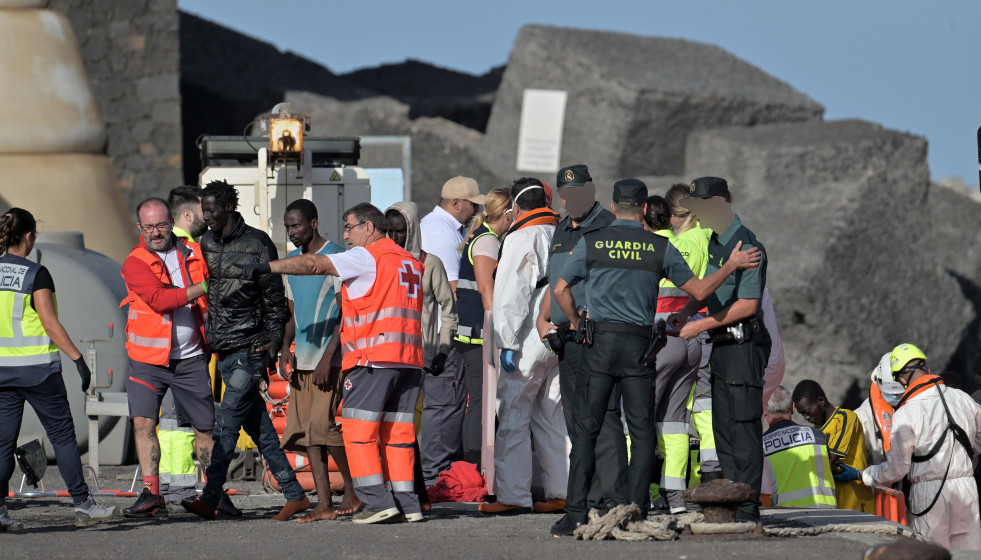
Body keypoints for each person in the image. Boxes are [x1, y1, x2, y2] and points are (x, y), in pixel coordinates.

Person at [551, 179, 761, 535]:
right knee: (644, 430)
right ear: (646, 209)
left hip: (599, 345)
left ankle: (574, 513)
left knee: (588, 429)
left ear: (614, 208)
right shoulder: (658, 247)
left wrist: (575, 322)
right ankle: (637, 509)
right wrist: (731, 266)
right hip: (638, 348)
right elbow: (699, 289)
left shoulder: (592, 241)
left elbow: (560, 289)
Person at [241, 202, 426, 525]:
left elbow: (314, 265)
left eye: (350, 227)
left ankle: (376, 502)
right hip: (409, 360)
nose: (345, 235)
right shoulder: (409, 261)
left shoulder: (367, 256)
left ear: (368, 228)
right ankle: (408, 504)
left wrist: (267, 268)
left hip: (374, 357)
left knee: (358, 432)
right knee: (397, 435)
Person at [181, 180, 309, 521]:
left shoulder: (257, 243)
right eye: (203, 210)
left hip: (250, 349)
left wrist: (273, 343)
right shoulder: (206, 242)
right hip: (222, 349)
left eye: (211, 210)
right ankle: (295, 495)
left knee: (226, 425)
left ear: (227, 207)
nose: (206, 216)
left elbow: (275, 301)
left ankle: (209, 497)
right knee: (261, 430)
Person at [0, 208, 115, 529]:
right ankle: (83, 503)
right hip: (37, 370)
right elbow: (49, 323)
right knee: (63, 435)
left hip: (2, 371)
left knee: (3, 442)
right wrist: (78, 360)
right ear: (28, 237)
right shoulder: (36, 273)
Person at [668, 176, 771, 523]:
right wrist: (681, 315)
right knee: (724, 426)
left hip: (742, 344)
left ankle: (747, 507)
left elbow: (747, 305)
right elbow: (705, 290)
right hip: (723, 346)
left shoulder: (746, 243)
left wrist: (698, 325)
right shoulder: (715, 242)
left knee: (742, 428)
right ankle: (732, 500)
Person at [120, 198, 216, 519]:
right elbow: (161, 300)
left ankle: (213, 493)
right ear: (140, 228)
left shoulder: (194, 252)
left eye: (161, 225)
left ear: (170, 222)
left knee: (205, 427)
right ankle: (152, 494)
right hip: (148, 362)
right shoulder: (135, 262)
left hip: (191, 358)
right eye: (148, 227)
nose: (156, 232)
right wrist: (205, 286)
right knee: (144, 423)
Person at [537, 164, 625, 515]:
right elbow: (554, 280)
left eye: (579, 193)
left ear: (591, 190)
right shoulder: (560, 229)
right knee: (576, 420)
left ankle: (614, 496)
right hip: (566, 338)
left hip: (597, 335)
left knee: (603, 417)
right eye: (566, 194)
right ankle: (589, 496)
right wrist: (542, 318)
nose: (571, 199)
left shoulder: (609, 227)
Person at [479, 177, 568, 515]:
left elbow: (510, 296)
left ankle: (514, 495)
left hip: (527, 339)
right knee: (552, 416)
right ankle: (562, 491)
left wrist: (505, 342)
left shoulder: (521, 237)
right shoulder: (562, 233)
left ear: (516, 207)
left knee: (514, 415)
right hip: (557, 337)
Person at [838, 344, 981, 550]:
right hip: (966, 489)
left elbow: (896, 470)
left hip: (929, 493)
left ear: (902, 379)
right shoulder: (962, 398)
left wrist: (862, 475)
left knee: (929, 552)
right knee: (970, 552)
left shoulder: (906, 414)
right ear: (926, 368)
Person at [278, 199, 357, 521]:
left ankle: (353, 491)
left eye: (295, 225)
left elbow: (346, 314)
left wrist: (328, 358)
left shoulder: (338, 257)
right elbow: (294, 313)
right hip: (303, 358)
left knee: (322, 426)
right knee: (306, 432)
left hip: (331, 358)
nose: (291, 232)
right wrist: (286, 348)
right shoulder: (292, 264)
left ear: (313, 223)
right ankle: (324, 504)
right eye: (287, 227)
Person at [387, 202, 462, 487]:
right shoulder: (383, 263)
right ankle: (402, 486)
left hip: (423, 359)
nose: (394, 238)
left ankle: (417, 490)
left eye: (400, 231)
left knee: (414, 429)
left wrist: (443, 350)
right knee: (395, 426)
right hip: (391, 356)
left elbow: (449, 309)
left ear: (412, 229)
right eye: (390, 231)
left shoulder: (430, 264)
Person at [643, 195, 702, 514]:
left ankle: (637, 491)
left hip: (656, 340)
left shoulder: (645, 251)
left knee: (636, 420)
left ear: (643, 219)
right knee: (675, 423)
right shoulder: (686, 247)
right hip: (688, 337)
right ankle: (676, 498)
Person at [152, 186, 208, 507]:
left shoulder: (154, 249)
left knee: (171, 423)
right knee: (182, 423)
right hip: (183, 351)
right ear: (187, 214)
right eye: (202, 210)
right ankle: (182, 491)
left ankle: (175, 489)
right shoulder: (187, 250)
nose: (208, 216)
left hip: (161, 351)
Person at [454, 187, 513, 467]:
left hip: (474, 332)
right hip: (479, 335)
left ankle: (478, 461)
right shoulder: (488, 241)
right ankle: (476, 463)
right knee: (481, 401)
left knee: (480, 400)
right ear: (508, 213)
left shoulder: (483, 236)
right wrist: (498, 331)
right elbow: (487, 289)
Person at [792, 379, 874, 513]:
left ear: (821, 401)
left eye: (807, 411)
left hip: (855, 502)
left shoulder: (844, 417)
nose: (806, 418)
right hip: (835, 503)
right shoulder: (817, 431)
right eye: (802, 414)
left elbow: (827, 460)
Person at [761, 386, 836, 508]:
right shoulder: (817, 436)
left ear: (764, 411)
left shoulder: (761, 447)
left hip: (787, 520)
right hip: (827, 514)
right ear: (792, 408)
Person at [420, 176, 485, 293]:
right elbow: (453, 288)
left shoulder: (444, 226)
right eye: (474, 205)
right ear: (456, 203)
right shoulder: (441, 233)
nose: (477, 210)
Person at [854, 353, 905, 466]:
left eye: (899, 393)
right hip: (882, 480)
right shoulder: (862, 417)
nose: (896, 396)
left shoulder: (922, 405)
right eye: (891, 393)